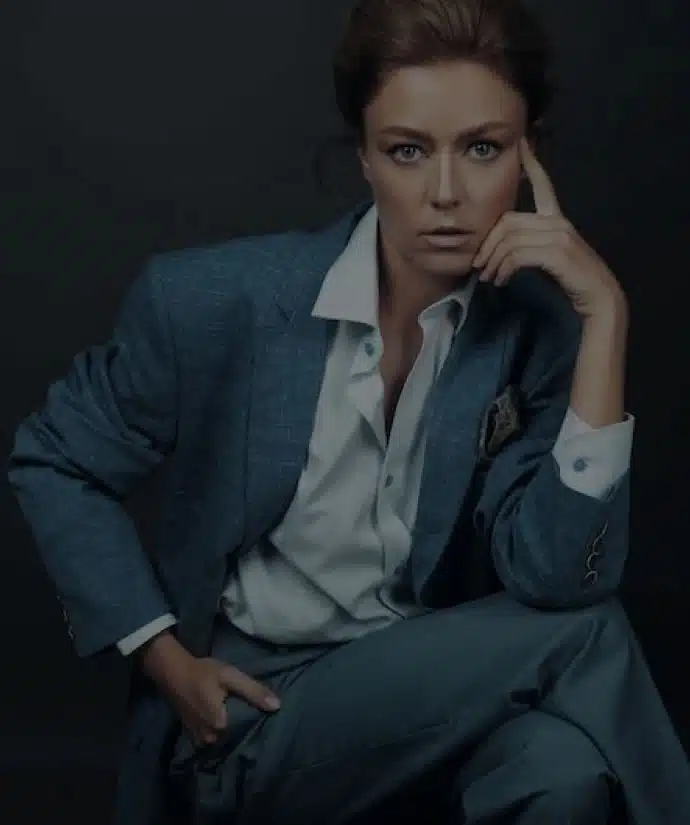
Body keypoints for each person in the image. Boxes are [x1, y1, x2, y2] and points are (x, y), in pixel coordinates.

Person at [7, 0, 690, 823]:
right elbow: (54, 458)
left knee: (564, 770)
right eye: (408, 151)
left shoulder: (536, 332)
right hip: (260, 706)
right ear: (365, 156)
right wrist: (161, 655)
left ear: (527, 154)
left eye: (482, 148)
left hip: (440, 695)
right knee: (592, 637)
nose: (445, 193)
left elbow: (558, 576)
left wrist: (605, 316)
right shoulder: (213, 302)